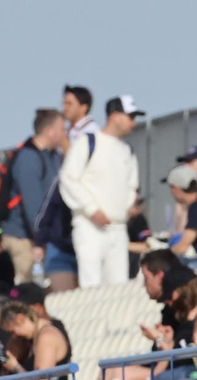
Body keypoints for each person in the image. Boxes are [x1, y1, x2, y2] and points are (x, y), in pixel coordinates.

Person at [60, 95, 144, 288]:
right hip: (89, 226)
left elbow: (132, 186)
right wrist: (91, 210)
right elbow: (68, 179)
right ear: (115, 116)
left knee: (118, 286)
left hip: (118, 228)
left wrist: (129, 206)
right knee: (92, 285)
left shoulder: (127, 150)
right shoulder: (88, 142)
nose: (133, 122)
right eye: (130, 117)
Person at [0, 109, 66, 284]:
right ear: (49, 130)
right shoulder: (28, 159)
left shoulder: (53, 157)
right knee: (27, 290)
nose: (64, 133)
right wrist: (41, 240)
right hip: (23, 240)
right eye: (61, 128)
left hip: (37, 238)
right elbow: (33, 206)